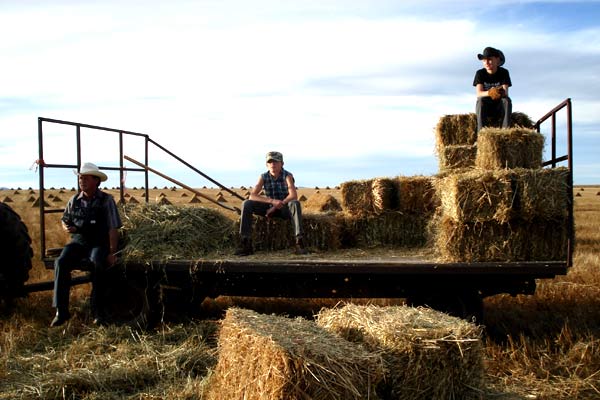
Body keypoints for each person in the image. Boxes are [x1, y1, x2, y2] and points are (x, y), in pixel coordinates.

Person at [51, 162, 122, 327]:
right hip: (79, 241)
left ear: (96, 181)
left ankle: (98, 311)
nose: (81, 181)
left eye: (86, 178)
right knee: (61, 262)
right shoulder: (74, 200)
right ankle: (61, 311)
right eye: (80, 178)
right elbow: (64, 219)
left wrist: (112, 252)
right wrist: (66, 227)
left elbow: (113, 228)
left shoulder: (106, 200)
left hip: (99, 242)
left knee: (97, 264)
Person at [235, 151, 308, 256]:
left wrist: (277, 205)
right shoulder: (263, 177)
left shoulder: (287, 176)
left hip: (284, 209)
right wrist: (272, 202)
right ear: (266, 165)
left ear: (282, 164)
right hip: (269, 206)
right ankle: (245, 242)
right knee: (247, 203)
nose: (272, 164)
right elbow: (252, 195)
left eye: (276, 162)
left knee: (295, 203)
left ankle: (299, 242)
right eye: (270, 162)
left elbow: (293, 195)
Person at [473, 46, 512, 132]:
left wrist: (499, 92)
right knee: (480, 101)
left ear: (497, 60)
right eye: (484, 60)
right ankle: (482, 133)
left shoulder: (504, 72)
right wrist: (490, 92)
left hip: (499, 106)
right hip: (486, 106)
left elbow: (505, 92)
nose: (486, 62)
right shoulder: (480, 73)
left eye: (489, 59)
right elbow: (479, 93)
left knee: (507, 100)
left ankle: (505, 132)